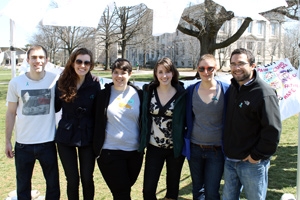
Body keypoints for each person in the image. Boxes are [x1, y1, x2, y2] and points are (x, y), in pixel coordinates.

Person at [222, 48, 281, 200]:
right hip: (230, 160)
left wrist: (256, 156)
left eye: (241, 63)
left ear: (253, 65)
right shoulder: (234, 88)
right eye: (233, 64)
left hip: (252, 164)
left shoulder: (264, 93)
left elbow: (272, 131)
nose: (236, 68)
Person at [5, 45, 60, 199]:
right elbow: (10, 113)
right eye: (34, 57)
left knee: (53, 186)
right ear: (27, 60)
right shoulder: (16, 83)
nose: (38, 61)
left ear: (47, 60)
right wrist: (7, 141)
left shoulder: (54, 80)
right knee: (23, 187)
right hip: (23, 145)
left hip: (48, 143)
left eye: (41, 57)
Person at [93, 58, 143, 200]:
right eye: (116, 72)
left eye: (123, 72)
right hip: (110, 152)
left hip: (134, 153)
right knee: (122, 193)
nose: (119, 76)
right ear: (111, 73)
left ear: (130, 74)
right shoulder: (103, 96)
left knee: (124, 190)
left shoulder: (139, 94)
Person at [55, 47, 100, 200]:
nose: (83, 65)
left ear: (91, 65)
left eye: (87, 62)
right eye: (79, 61)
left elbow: (98, 112)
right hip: (66, 135)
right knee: (72, 179)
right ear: (73, 62)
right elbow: (54, 107)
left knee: (87, 178)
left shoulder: (94, 84)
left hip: (87, 135)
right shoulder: (62, 82)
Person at [182, 54, 229, 200]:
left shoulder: (227, 90)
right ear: (198, 69)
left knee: (212, 192)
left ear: (216, 68)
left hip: (216, 151)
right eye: (202, 68)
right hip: (195, 148)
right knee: (197, 190)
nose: (206, 72)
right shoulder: (191, 90)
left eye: (210, 68)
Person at [139, 57, 186, 200]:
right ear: (155, 73)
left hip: (175, 149)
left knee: (172, 191)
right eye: (160, 72)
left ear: (173, 73)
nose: (164, 76)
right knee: (148, 190)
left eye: (167, 72)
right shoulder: (149, 91)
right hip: (154, 148)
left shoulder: (182, 93)